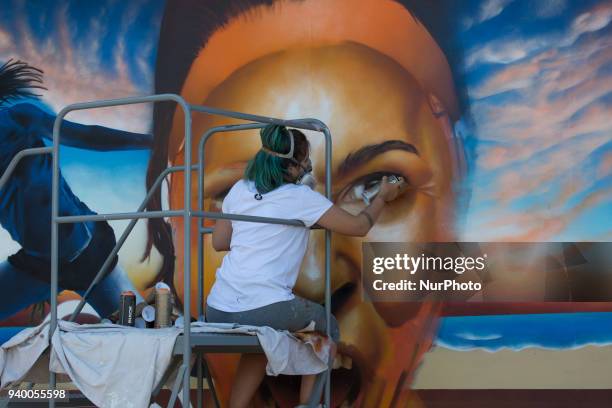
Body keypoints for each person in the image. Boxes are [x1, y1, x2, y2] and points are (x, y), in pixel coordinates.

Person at [205, 124, 406, 408]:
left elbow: (220, 241)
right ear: (291, 166)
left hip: (219, 307)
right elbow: (358, 226)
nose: (307, 167)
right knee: (328, 328)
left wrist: (261, 226)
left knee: (262, 340)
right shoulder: (300, 198)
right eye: (304, 161)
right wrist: (382, 196)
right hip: (265, 306)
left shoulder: (240, 189)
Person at [0, 59, 147, 321]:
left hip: (87, 250)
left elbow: (88, 137)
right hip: (39, 264)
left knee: (137, 325)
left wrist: (151, 142)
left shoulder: (20, 119)